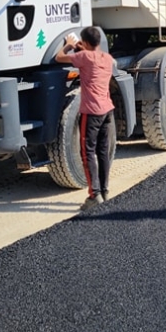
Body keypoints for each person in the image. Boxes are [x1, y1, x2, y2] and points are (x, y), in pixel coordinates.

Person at [55, 26, 115, 210]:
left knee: (87, 152)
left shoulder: (84, 57)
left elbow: (59, 58)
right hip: (107, 110)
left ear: (86, 42)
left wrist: (69, 45)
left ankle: (94, 195)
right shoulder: (107, 58)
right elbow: (93, 57)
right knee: (102, 151)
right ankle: (104, 190)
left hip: (92, 112)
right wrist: (84, 48)